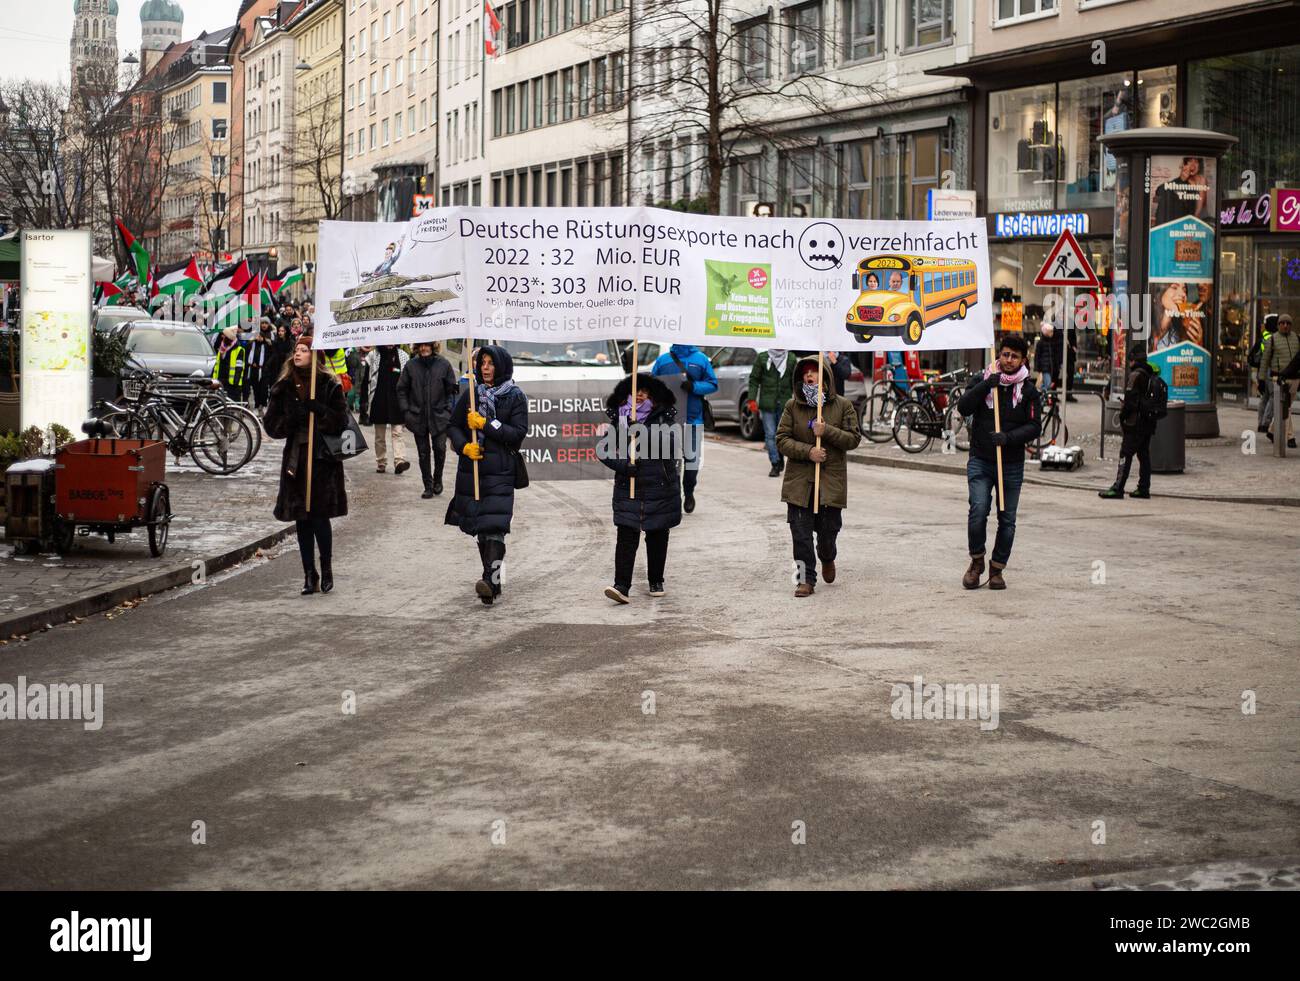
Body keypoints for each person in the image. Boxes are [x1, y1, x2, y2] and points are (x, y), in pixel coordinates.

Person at [264, 336, 348, 595]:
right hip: (296, 461)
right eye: (297, 349)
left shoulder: (328, 385)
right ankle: (308, 574)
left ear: (315, 355)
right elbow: (271, 426)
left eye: (304, 350)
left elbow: (341, 422)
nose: (298, 353)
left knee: (320, 517)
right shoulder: (284, 387)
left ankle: (327, 568)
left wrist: (320, 410)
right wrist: (292, 420)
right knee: (302, 518)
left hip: (323, 460)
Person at [957, 335, 1041, 591]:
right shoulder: (984, 379)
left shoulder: (1028, 389)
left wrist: (1008, 438)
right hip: (981, 460)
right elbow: (963, 406)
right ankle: (976, 561)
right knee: (978, 510)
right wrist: (985, 386)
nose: (1008, 360)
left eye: (1014, 356)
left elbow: (1035, 426)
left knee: (1008, 519)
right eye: (1005, 355)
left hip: (1011, 463)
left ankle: (997, 569)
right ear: (999, 355)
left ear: (1022, 360)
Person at [446, 345, 528, 606]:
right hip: (473, 470)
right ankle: (492, 582)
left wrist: (487, 424)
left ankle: (489, 581)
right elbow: (453, 426)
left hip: (501, 470)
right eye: (482, 362)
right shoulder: (471, 393)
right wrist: (463, 446)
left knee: (495, 527)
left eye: (490, 363)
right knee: (481, 528)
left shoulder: (515, 396)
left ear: (502, 366)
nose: (485, 367)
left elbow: (516, 434)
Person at [776, 355, 862, 598]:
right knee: (799, 533)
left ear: (826, 377)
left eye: (814, 371)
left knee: (827, 532)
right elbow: (781, 440)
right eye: (805, 373)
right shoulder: (792, 407)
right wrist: (808, 451)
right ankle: (804, 580)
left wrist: (828, 431)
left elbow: (853, 439)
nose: (809, 376)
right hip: (799, 484)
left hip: (829, 483)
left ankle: (827, 556)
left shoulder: (843, 406)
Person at [599, 372, 682, 603]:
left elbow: (672, 445)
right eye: (635, 390)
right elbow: (603, 451)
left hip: (660, 486)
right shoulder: (620, 419)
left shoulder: (664, 418)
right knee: (626, 534)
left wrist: (642, 433)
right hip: (629, 486)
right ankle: (621, 585)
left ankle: (656, 579)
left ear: (654, 397)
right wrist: (623, 466)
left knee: (657, 534)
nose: (639, 395)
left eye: (644, 391)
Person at [650, 343, 717, 514]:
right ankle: (674, 497)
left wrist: (694, 387)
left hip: (693, 420)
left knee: (692, 461)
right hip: (668, 420)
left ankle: (689, 492)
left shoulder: (700, 359)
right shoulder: (663, 360)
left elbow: (712, 384)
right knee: (670, 461)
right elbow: (651, 385)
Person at [397, 340, 459, 498]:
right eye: (421, 345)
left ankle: (438, 479)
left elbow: (452, 389)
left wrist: (448, 410)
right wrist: (406, 411)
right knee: (423, 453)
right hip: (417, 416)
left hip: (439, 416)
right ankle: (428, 485)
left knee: (440, 449)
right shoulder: (411, 365)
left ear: (433, 346)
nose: (424, 348)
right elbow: (402, 389)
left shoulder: (443, 364)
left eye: (427, 345)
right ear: (417, 347)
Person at [1099, 353, 1161, 499]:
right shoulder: (1150, 375)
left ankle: (1118, 487)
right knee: (1143, 455)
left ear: (1133, 361)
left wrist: (1122, 417)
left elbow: (1131, 402)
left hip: (1135, 423)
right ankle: (1143, 488)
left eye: (1130, 360)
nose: (1129, 363)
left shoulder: (1135, 376)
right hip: (1148, 422)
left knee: (1125, 454)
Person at [748, 348, 796, 477]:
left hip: (785, 403)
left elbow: (795, 381)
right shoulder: (762, 357)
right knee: (770, 435)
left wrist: (798, 399)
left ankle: (780, 455)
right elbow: (754, 379)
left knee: (782, 434)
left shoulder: (791, 358)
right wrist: (751, 399)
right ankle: (775, 463)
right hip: (767, 403)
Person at [364, 345, 410, 474]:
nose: (390, 343)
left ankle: (399, 461)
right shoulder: (373, 355)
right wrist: (364, 404)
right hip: (379, 400)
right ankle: (381, 462)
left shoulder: (403, 356)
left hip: (397, 402)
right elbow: (365, 380)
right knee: (379, 435)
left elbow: (407, 382)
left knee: (398, 433)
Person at [1260, 313, 1299, 447]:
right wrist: (1261, 379)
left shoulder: (1296, 338)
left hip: (1294, 378)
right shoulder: (1272, 339)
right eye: (1282, 323)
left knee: (1285, 407)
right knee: (1286, 407)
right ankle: (1290, 437)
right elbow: (1265, 360)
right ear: (1278, 325)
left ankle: (1272, 431)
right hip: (1278, 378)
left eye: (1288, 323)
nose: (1285, 325)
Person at [1251, 313, 1277, 435]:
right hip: (1268, 370)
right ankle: (1265, 423)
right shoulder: (1272, 338)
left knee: (1265, 397)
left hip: (1262, 371)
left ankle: (1260, 422)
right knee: (1272, 397)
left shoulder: (1263, 336)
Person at [211, 327, 247, 402]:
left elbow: (239, 368)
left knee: (231, 408)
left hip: (232, 384)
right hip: (220, 381)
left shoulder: (239, 350)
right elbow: (217, 364)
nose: (222, 336)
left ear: (229, 337)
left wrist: (235, 384)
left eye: (224, 335)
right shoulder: (221, 348)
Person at [246, 319, 274, 412]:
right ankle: (257, 404)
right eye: (257, 336)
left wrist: (266, 366)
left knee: (264, 389)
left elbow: (271, 356)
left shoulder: (267, 345)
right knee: (255, 388)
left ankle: (263, 404)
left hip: (264, 370)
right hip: (254, 370)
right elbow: (248, 354)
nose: (258, 338)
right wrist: (252, 363)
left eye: (260, 336)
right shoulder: (252, 344)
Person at [1034, 323, 1062, 393]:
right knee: (1048, 383)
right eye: (1050, 331)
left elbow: (1055, 355)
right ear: (1046, 332)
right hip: (1045, 368)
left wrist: (1057, 364)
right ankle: (1040, 393)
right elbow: (1037, 356)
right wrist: (1037, 368)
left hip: (1051, 367)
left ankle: (1041, 394)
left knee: (1049, 384)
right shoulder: (1041, 343)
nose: (1052, 333)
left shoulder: (1052, 342)